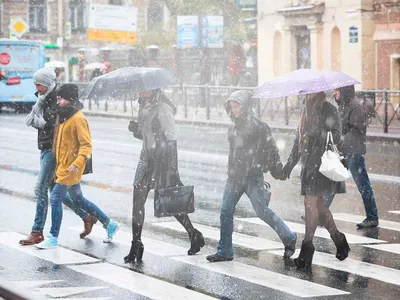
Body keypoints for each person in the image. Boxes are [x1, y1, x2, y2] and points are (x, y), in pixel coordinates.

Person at [206, 90, 297, 262]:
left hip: (252, 177)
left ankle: (289, 237)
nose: (234, 110)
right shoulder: (232, 128)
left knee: (262, 211)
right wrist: (230, 169)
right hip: (234, 178)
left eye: (237, 106)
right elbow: (232, 153)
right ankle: (225, 250)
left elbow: (271, 150)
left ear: (246, 106)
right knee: (226, 211)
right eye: (232, 107)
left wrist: (278, 170)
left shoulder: (259, 127)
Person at [35, 83, 119, 249]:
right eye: (58, 97)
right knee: (78, 199)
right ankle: (109, 223)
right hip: (63, 166)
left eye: (61, 97)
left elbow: (86, 145)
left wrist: (77, 163)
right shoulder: (63, 116)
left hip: (71, 167)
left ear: (69, 99)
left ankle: (53, 237)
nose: (58, 100)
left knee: (55, 197)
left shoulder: (78, 118)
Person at [124, 89, 204, 263]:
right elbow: (147, 136)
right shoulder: (143, 106)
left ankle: (193, 234)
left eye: (143, 88)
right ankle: (136, 244)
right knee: (137, 202)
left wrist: (172, 169)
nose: (139, 91)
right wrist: (136, 130)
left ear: (152, 89)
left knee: (170, 203)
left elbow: (171, 139)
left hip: (162, 162)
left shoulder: (163, 108)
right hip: (145, 160)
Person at [20, 68, 97, 246]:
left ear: (46, 84)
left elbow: (56, 124)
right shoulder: (44, 98)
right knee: (55, 192)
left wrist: (41, 123)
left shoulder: (57, 98)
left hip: (52, 149)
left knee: (40, 189)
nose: (36, 87)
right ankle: (86, 216)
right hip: (46, 146)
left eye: (38, 84)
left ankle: (37, 231)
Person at [282, 91, 350, 269]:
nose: (307, 93)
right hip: (308, 167)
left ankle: (306, 250)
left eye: (310, 90)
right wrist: (289, 166)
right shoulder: (306, 111)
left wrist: (315, 133)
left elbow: (336, 136)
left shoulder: (329, 109)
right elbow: (299, 141)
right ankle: (339, 239)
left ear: (318, 91)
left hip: (321, 166)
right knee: (319, 207)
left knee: (310, 204)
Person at [324, 86, 379, 228]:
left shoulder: (355, 107)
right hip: (345, 150)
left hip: (354, 151)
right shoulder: (345, 105)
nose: (334, 93)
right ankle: (321, 215)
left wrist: (342, 133)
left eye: (337, 91)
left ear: (344, 92)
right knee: (333, 180)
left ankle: (372, 217)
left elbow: (358, 129)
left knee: (363, 185)